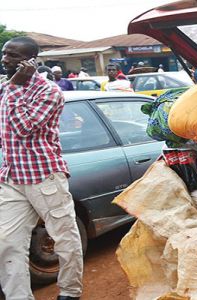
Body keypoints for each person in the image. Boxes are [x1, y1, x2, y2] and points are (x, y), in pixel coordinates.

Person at [0, 36, 83, 300]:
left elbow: (23, 129)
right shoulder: (6, 88)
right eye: (4, 53)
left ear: (30, 61)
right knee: (7, 242)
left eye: (12, 56)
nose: (5, 60)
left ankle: (70, 292)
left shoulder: (48, 91)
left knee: (64, 238)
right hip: (12, 176)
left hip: (43, 176)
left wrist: (15, 87)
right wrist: (12, 88)